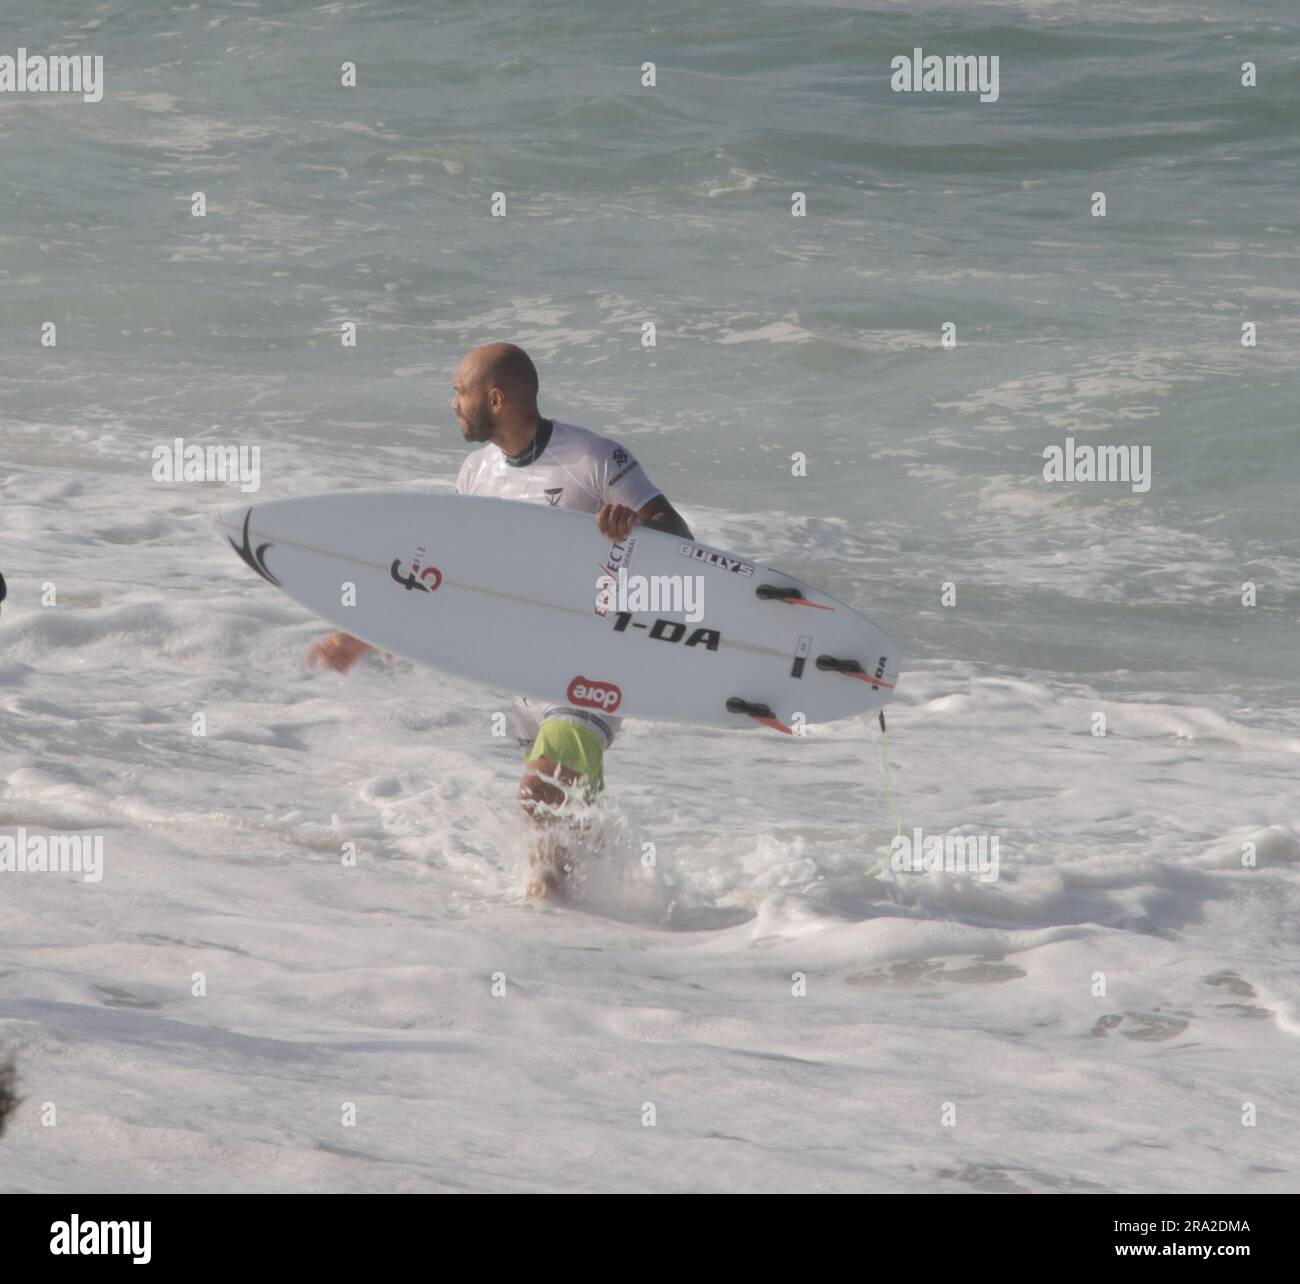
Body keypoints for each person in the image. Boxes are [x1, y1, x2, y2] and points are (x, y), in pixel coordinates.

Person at [306, 343, 693, 897]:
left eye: (459, 392)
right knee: (550, 861)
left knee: (538, 796)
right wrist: (362, 635)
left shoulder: (592, 458)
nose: (452, 404)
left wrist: (631, 524)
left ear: (495, 398)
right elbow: (449, 571)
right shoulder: (475, 473)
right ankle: (600, 923)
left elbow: (680, 538)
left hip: (592, 667)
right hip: (523, 677)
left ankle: (615, 892)